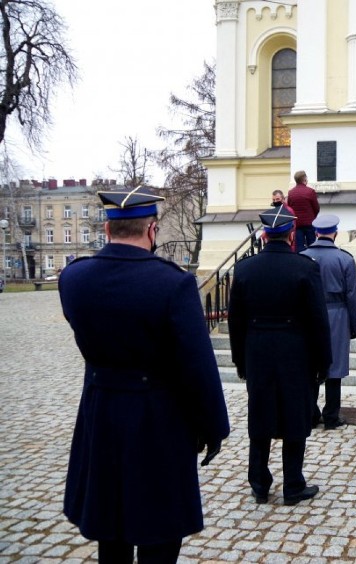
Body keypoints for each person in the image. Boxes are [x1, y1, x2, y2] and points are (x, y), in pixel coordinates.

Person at [58, 186, 230, 563]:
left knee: (110, 530)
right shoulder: (174, 284)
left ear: (107, 230)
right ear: (152, 230)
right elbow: (198, 365)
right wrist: (215, 427)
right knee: (159, 533)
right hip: (158, 420)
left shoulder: (73, 278)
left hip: (100, 413)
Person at [228, 206, 332, 506]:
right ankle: (293, 485)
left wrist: (240, 360)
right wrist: (323, 362)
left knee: (259, 416)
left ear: (264, 235)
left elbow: (235, 320)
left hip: (257, 350)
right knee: (295, 417)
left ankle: (259, 484)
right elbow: (318, 320)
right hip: (295, 352)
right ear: (291, 234)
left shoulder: (246, 268)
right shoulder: (305, 267)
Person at [301, 214, 356, 430]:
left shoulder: (303, 257)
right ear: (335, 233)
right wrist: (355, 325)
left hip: (309, 314)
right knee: (334, 367)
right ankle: (331, 415)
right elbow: (352, 296)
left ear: (316, 233)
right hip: (337, 313)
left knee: (310, 365)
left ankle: (309, 414)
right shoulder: (345, 259)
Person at [287, 170, 321, 252]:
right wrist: (313, 217)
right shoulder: (310, 191)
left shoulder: (291, 193)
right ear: (304, 179)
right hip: (310, 223)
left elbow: (289, 208)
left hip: (297, 223)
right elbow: (316, 208)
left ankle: (300, 262)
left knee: (299, 247)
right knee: (312, 245)